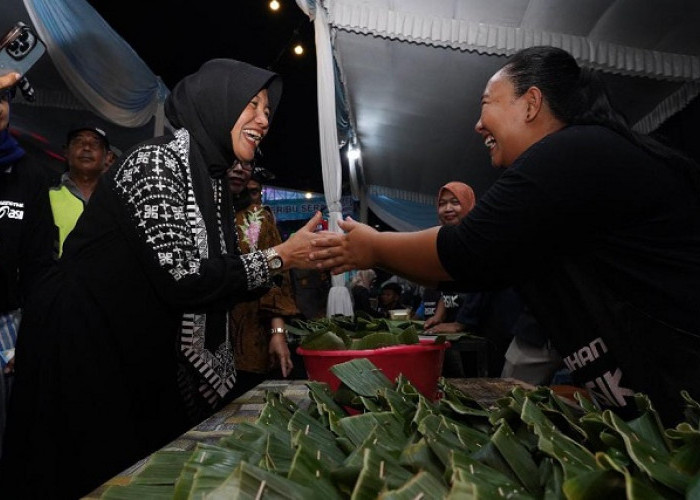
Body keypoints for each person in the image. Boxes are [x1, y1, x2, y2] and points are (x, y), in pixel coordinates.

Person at [310, 46, 700, 426]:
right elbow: (478, 269)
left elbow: (464, 252)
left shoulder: (573, 150)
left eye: (487, 103)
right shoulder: (574, 163)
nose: (478, 125)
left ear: (531, 103)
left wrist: (373, 247)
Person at [0, 59, 325, 499]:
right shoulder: (156, 162)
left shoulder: (210, 178)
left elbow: (216, 275)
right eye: (252, 105)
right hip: (79, 345)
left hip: (128, 344)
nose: (264, 120)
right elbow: (184, 277)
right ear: (217, 103)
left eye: (267, 110)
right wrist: (279, 257)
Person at [0, 72, 55, 459]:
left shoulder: (29, 174)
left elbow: (39, 266)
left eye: (4, 97)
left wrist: (30, 335)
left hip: (7, 324)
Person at [226, 160, 298, 400]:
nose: (238, 169)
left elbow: (276, 279)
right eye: (231, 162)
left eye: (245, 165)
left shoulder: (258, 218)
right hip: (199, 344)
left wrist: (278, 332)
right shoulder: (194, 210)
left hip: (250, 338)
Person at [49, 124, 111, 256]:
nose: (87, 148)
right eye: (79, 141)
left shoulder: (118, 200)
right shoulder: (45, 194)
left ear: (108, 157)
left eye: (95, 143)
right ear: (66, 152)